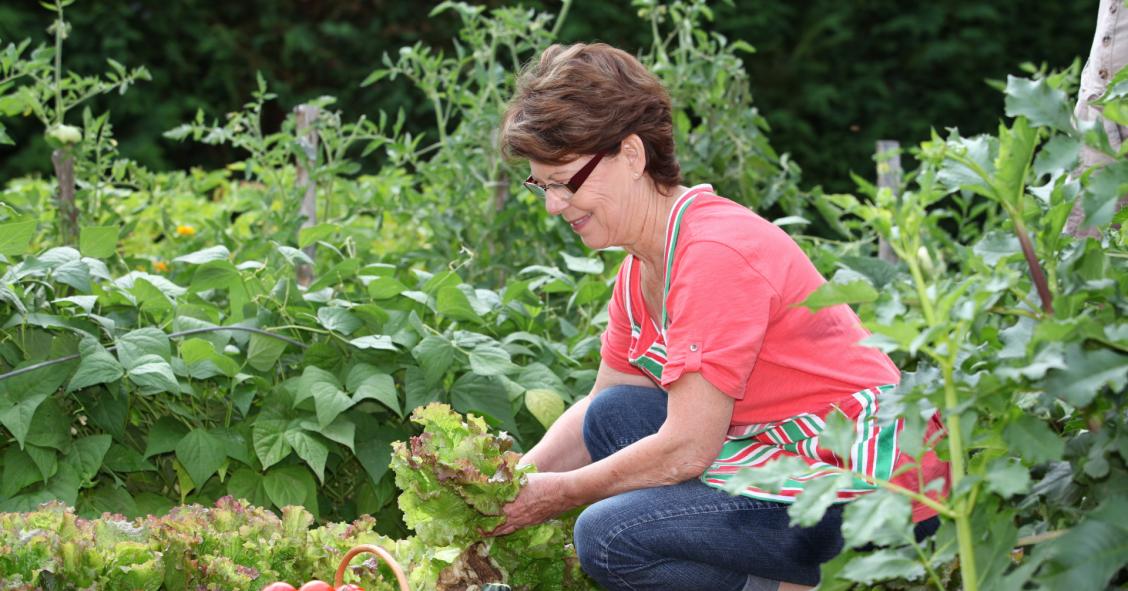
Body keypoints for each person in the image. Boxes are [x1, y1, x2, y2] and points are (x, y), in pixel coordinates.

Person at [490, 43, 949, 591]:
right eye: (542, 184)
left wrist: (561, 495)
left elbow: (688, 445)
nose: (553, 204)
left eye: (565, 180)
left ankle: (788, 583)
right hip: (786, 459)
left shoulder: (714, 254)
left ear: (631, 155)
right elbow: (601, 405)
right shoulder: (642, 271)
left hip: (876, 492)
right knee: (611, 414)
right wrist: (512, 483)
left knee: (607, 536)